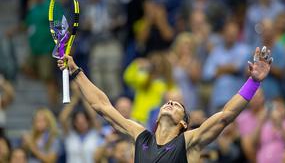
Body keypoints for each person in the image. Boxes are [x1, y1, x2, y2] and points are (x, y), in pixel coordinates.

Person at [57, 45, 272, 163]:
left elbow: (226, 115)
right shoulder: (141, 135)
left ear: (184, 125)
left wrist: (253, 82)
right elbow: (103, 106)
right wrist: (76, 71)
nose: (170, 102)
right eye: (168, 102)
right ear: (157, 117)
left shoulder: (190, 141)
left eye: (178, 105)